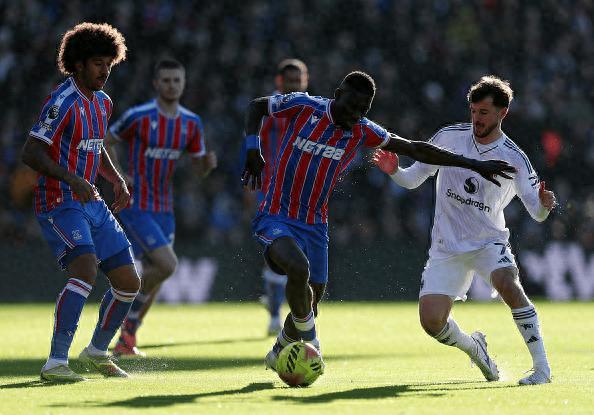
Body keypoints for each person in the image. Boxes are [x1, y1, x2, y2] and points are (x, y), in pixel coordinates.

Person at [241, 71, 517, 374]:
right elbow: (257, 106)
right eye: (351, 107)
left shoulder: (362, 130)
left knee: (310, 303)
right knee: (298, 269)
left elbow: (414, 148)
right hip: (276, 214)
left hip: (315, 224)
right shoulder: (305, 106)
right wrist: (252, 148)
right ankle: (312, 343)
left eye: (363, 110)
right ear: (338, 95)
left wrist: (474, 164)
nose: (355, 115)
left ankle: (280, 349)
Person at [372, 75, 556, 385]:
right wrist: (395, 172)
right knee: (431, 322)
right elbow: (413, 179)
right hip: (446, 246)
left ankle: (541, 369)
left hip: (488, 242)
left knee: (507, 284)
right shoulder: (449, 137)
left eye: (484, 112)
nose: (476, 119)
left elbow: (536, 214)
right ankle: (475, 349)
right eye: (473, 111)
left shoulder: (514, 158)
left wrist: (545, 205)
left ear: (502, 113)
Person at [21, 22, 139, 382]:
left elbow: (95, 146)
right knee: (85, 269)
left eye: (109, 64)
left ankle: (97, 351)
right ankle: (56, 362)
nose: (105, 71)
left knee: (129, 282)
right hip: (60, 201)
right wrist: (72, 178)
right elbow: (31, 152)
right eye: (98, 63)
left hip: (92, 201)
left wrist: (115, 178)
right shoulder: (62, 102)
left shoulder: (103, 102)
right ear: (78, 64)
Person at [103, 58, 217, 357]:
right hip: (135, 203)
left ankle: (127, 337)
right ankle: (120, 319)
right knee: (168, 265)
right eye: (166, 80)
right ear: (156, 83)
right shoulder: (139, 116)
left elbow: (199, 170)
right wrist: (119, 175)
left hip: (165, 208)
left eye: (176, 80)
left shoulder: (191, 123)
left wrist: (207, 165)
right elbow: (106, 141)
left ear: (184, 83)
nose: (171, 85)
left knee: (157, 272)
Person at [254, 58, 309, 336]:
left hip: (302, 194)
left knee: (295, 255)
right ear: (279, 82)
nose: (294, 85)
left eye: (299, 81)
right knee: (278, 250)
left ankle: (278, 305)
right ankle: (276, 314)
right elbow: (252, 145)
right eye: (290, 81)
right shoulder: (269, 109)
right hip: (271, 192)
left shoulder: (311, 110)